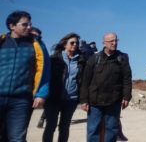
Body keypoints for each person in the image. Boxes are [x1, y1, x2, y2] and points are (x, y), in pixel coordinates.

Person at [0, 11, 50, 142]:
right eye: (25, 24)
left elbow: (44, 70)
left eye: (30, 24)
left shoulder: (35, 45)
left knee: (17, 138)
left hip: (21, 100)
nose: (29, 27)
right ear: (12, 26)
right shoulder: (2, 43)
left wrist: (41, 94)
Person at [80, 33, 132, 142]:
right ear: (104, 43)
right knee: (93, 130)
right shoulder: (94, 58)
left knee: (112, 129)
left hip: (114, 101)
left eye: (116, 40)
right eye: (111, 41)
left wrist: (126, 97)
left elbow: (127, 79)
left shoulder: (122, 58)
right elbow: (85, 81)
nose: (114, 43)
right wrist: (84, 100)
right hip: (95, 102)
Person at [43, 32, 86, 142]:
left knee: (64, 127)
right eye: (72, 42)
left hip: (71, 100)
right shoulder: (54, 59)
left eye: (77, 43)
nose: (75, 45)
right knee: (50, 126)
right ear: (64, 44)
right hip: (54, 98)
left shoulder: (81, 61)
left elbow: (83, 80)